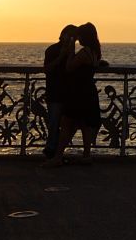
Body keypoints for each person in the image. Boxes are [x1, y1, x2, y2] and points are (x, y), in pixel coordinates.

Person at [43, 22, 102, 167]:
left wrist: (68, 54)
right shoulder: (95, 52)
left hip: (79, 93)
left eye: (79, 36)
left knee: (66, 124)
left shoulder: (83, 52)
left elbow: (69, 67)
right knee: (84, 124)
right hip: (88, 91)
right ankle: (86, 155)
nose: (77, 39)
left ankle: (57, 157)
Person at [42, 24, 77, 159]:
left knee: (70, 123)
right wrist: (62, 57)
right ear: (63, 35)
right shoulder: (52, 50)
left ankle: (58, 152)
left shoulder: (72, 52)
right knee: (54, 123)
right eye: (71, 36)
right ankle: (51, 150)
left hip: (68, 93)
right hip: (55, 93)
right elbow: (47, 69)